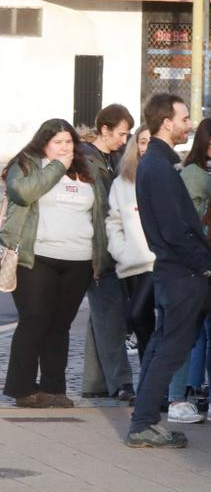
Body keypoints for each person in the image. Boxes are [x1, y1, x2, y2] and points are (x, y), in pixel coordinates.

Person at [127, 94, 211, 448]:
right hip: (180, 273)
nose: (189, 124)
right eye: (184, 117)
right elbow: (174, 228)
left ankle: (144, 420)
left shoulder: (158, 163)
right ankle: (143, 423)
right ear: (166, 122)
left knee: (161, 347)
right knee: (168, 351)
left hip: (175, 271)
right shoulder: (158, 167)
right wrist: (203, 265)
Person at [3, 120, 106, 408]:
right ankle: (21, 389)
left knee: (60, 324)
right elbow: (22, 193)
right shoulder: (27, 164)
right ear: (44, 143)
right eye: (58, 142)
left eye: (69, 142)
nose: (65, 147)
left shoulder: (88, 170)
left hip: (79, 259)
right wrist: (57, 167)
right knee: (35, 319)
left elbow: (100, 211)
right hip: (36, 257)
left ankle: (54, 388)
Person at [165, 116, 211, 425]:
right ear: (203, 146)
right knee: (189, 333)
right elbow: (189, 221)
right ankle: (177, 397)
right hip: (198, 264)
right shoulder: (194, 175)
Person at [79, 104, 136, 401]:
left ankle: (94, 381)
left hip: (106, 247)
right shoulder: (87, 159)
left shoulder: (111, 158)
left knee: (102, 315)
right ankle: (121, 382)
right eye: (121, 134)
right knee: (111, 314)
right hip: (97, 249)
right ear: (104, 130)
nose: (124, 141)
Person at [104, 129, 157, 396]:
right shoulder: (122, 181)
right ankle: (149, 386)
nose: (145, 147)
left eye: (150, 141)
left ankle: (153, 386)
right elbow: (113, 221)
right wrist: (120, 251)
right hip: (130, 262)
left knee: (138, 315)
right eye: (142, 141)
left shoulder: (165, 174)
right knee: (142, 323)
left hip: (156, 263)